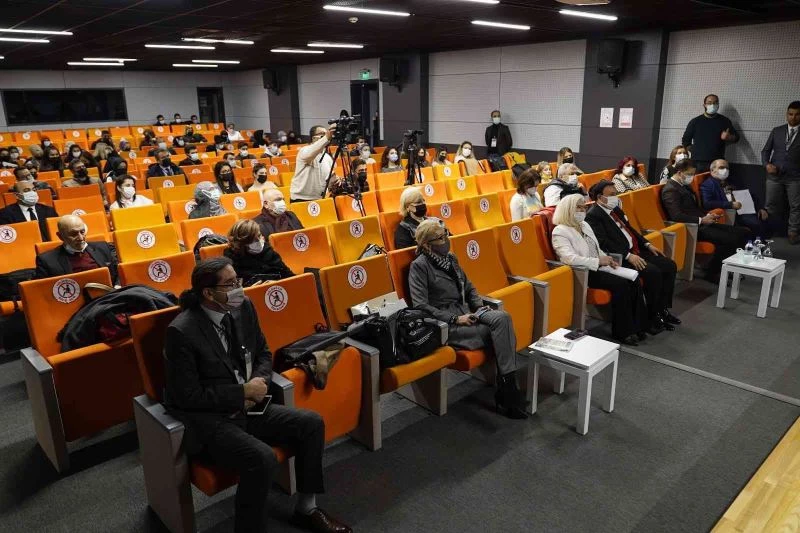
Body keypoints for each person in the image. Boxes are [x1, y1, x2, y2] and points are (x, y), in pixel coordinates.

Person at [163, 257, 351, 533]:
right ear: (208, 293)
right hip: (212, 421)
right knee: (262, 458)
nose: (239, 288)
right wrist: (241, 392)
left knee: (311, 423)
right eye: (230, 284)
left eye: (238, 280)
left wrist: (259, 382)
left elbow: (263, 352)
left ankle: (307, 508)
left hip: (251, 405)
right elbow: (187, 395)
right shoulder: (182, 331)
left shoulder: (244, 307)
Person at [408, 219, 526, 419]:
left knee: (503, 318)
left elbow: (469, 286)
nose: (446, 240)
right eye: (441, 237)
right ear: (427, 245)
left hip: (469, 312)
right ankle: (509, 392)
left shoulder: (451, 258)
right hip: (447, 323)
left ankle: (506, 388)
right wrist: (456, 319)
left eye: (446, 234)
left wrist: (479, 307)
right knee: (501, 333)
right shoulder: (419, 266)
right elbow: (421, 306)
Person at [552, 194, 648, 345]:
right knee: (621, 285)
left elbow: (596, 248)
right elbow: (569, 259)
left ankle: (638, 326)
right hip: (582, 273)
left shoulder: (584, 225)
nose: (582, 210)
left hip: (598, 267)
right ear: (568, 209)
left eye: (584, 207)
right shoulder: (560, 231)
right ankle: (623, 332)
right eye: (578, 207)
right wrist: (598, 261)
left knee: (634, 279)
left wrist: (607, 259)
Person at [587, 181, 680, 332]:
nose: (615, 197)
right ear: (600, 197)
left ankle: (663, 309)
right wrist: (628, 255)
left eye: (616, 194)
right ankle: (652, 316)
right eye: (611, 195)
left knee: (669, 265)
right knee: (653, 272)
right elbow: (603, 243)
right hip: (621, 257)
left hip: (636, 250)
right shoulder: (593, 215)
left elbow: (630, 230)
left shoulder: (615, 209)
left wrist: (647, 244)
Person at [661, 158, 750, 279]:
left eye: (693, 174)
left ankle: (725, 268)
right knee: (731, 239)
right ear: (680, 172)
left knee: (743, 233)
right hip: (691, 227)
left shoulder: (684, 186)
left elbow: (694, 208)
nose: (692, 177)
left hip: (702, 222)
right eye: (689, 174)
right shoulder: (670, 189)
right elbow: (676, 216)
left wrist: (708, 215)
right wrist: (701, 220)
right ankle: (713, 272)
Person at [35, 214, 119, 285]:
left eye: (82, 232)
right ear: (60, 236)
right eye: (73, 234)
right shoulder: (47, 260)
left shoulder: (102, 247)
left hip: (110, 295)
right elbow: (43, 290)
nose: (81, 238)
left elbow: (118, 272)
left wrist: (117, 287)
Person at [762, 100, 800, 244]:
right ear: (786, 114)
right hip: (774, 175)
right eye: (790, 114)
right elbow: (765, 151)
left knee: (796, 206)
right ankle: (768, 231)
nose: (793, 117)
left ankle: (793, 233)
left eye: (797, 115)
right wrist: (767, 164)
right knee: (770, 204)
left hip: (795, 177)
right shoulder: (777, 130)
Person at [702, 159, 770, 237]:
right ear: (712, 170)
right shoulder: (708, 185)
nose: (725, 170)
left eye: (727, 168)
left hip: (744, 210)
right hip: (729, 213)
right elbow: (707, 203)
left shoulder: (731, 181)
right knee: (755, 224)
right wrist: (731, 204)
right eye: (721, 167)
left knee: (767, 218)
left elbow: (749, 195)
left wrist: (760, 208)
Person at [223, 220, 294, 286]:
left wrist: (277, 283)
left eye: (259, 236)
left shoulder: (269, 252)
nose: (258, 241)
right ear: (240, 244)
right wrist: (250, 290)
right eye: (253, 239)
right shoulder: (230, 262)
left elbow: (290, 277)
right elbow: (230, 292)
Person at [682, 94, 739, 172]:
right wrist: (695, 151)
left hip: (718, 162)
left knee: (717, 180)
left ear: (718, 105)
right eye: (709, 103)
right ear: (704, 105)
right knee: (698, 180)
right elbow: (685, 141)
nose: (712, 105)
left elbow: (737, 138)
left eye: (715, 103)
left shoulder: (725, 121)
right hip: (698, 162)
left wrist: (729, 137)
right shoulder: (695, 121)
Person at [290, 125, 335, 201]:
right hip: (300, 198)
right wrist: (327, 137)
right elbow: (312, 151)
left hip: (320, 198)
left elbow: (330, 177)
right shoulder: (304, 151)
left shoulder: (327, 157)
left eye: (326, 134)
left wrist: (336, 181)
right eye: (322, 134)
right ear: (313, 138)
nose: (325, 136)